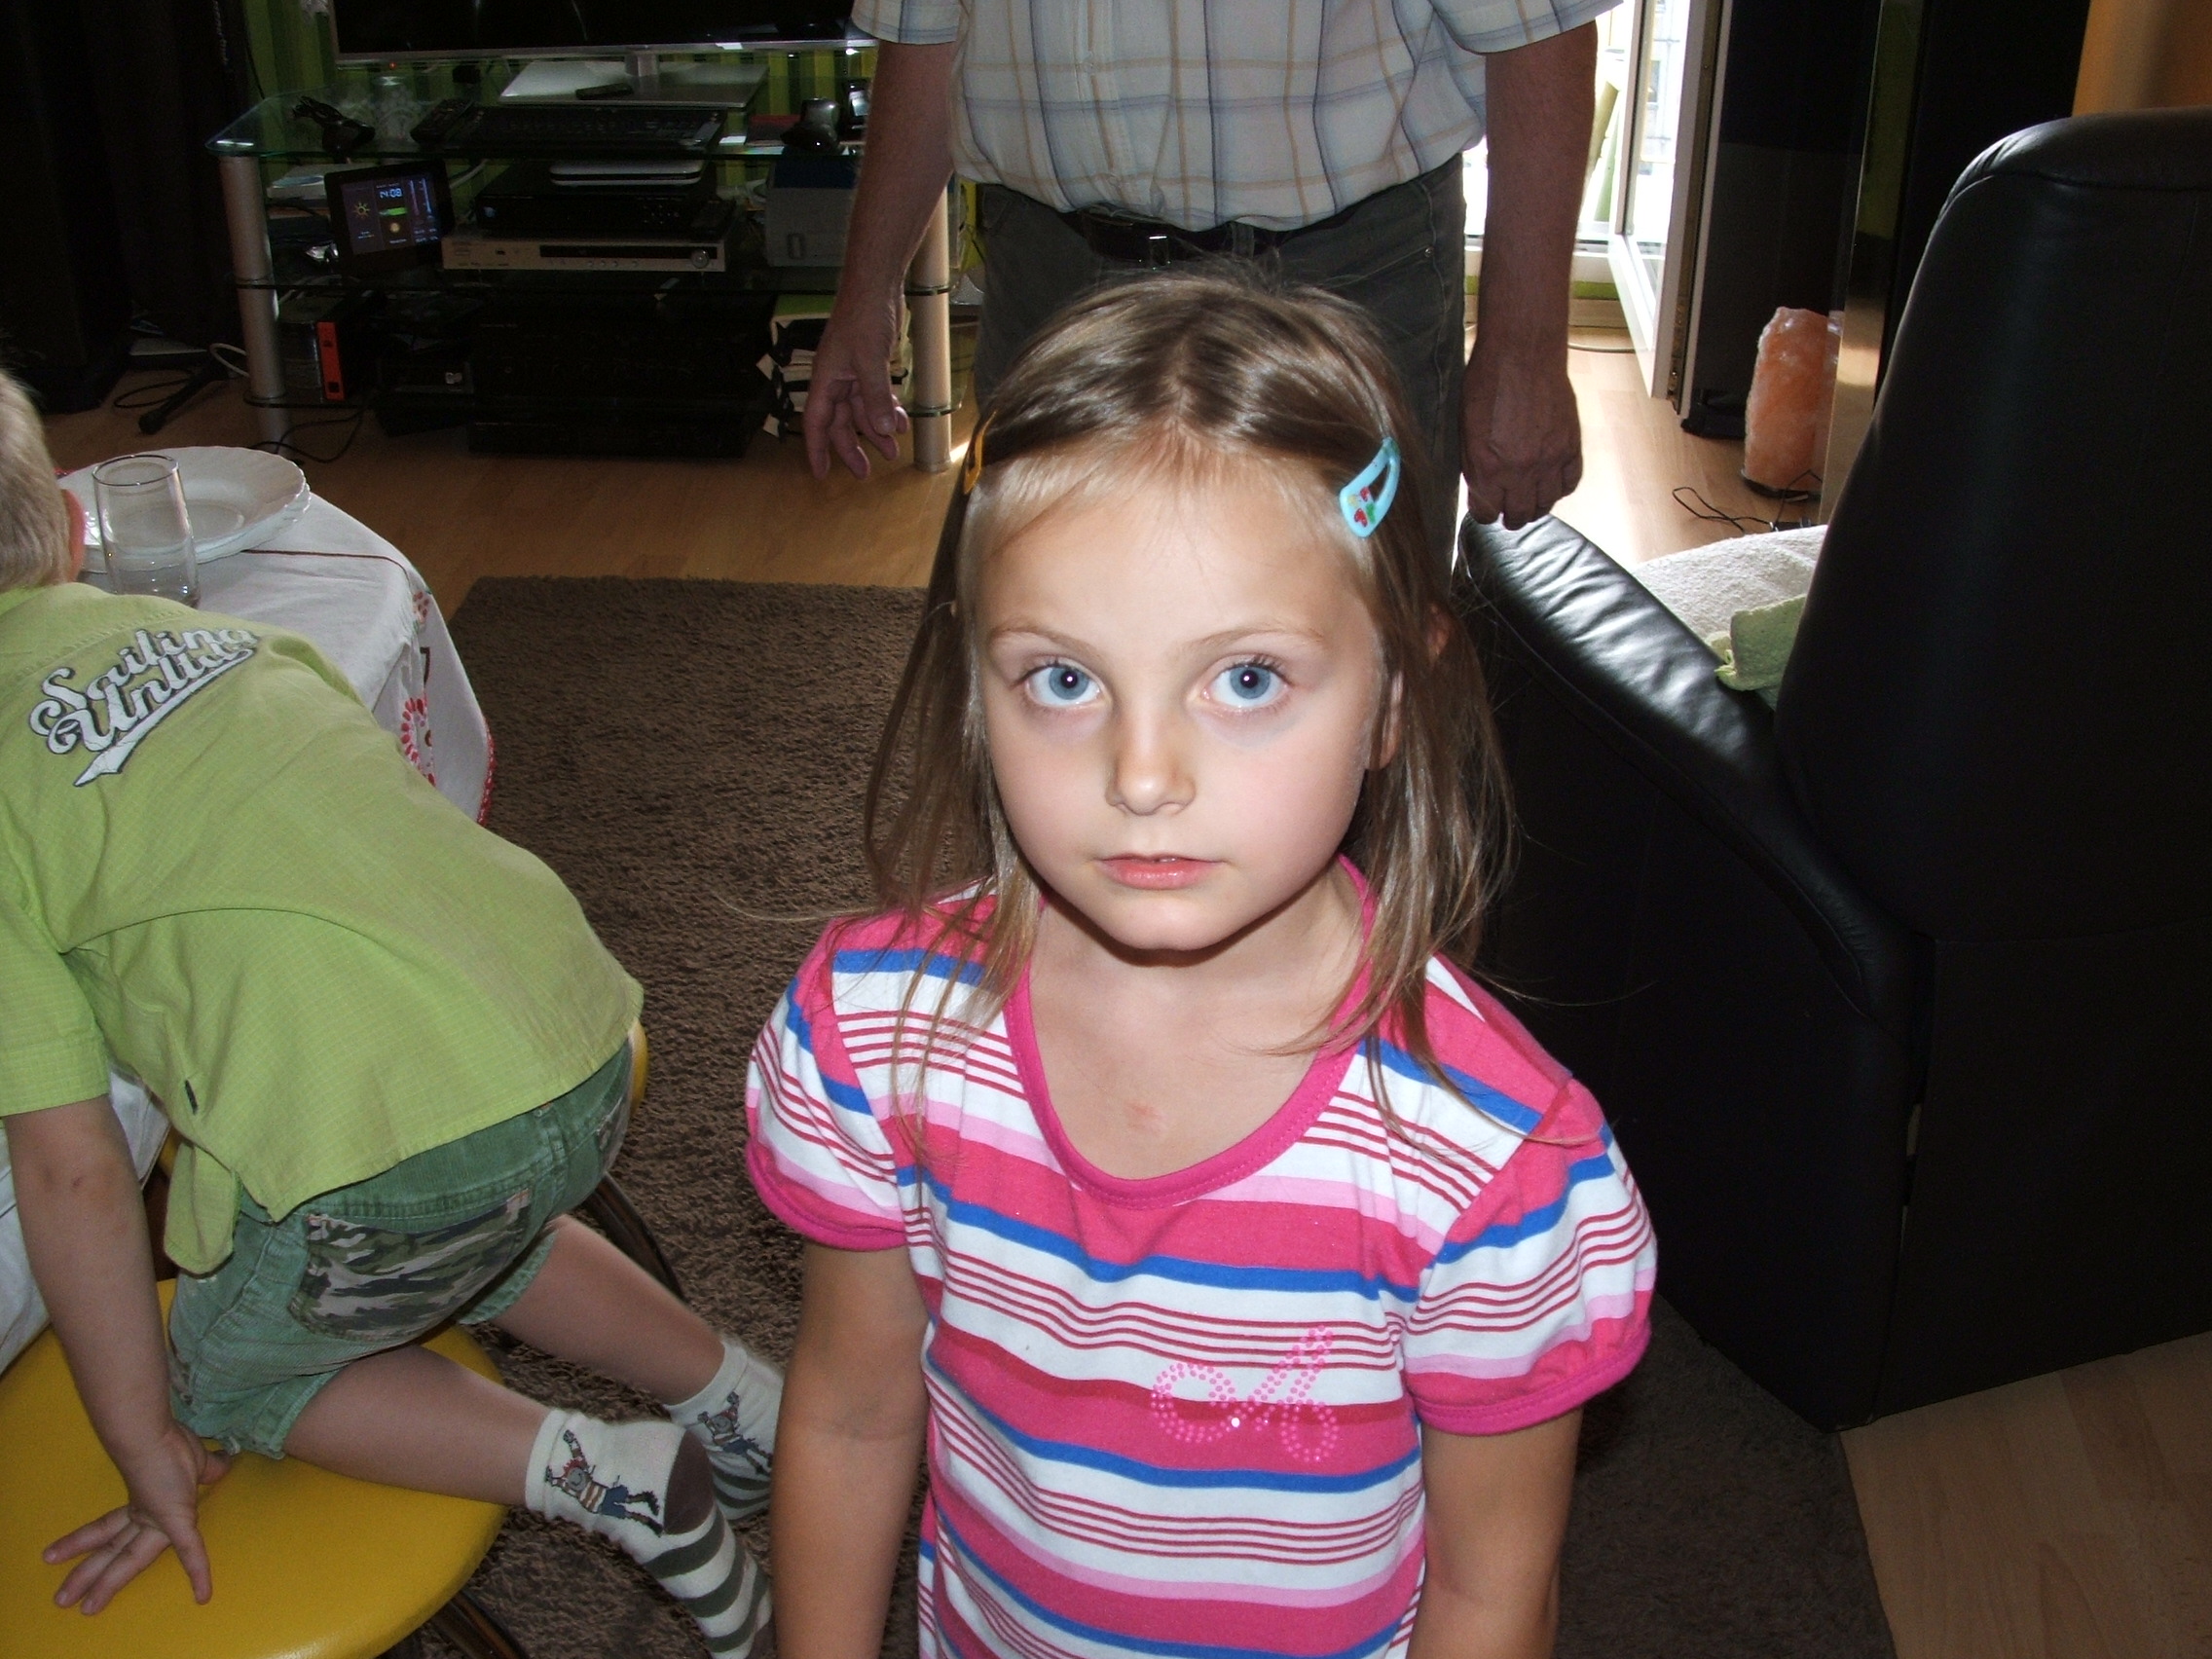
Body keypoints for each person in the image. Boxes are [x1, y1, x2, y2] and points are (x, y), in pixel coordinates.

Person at [750, 274, 1655, 1659]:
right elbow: (853, 1416)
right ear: (977, 690)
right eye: (1063, 679)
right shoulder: (874, 1043)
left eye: (1245, 680)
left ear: (1393, 695)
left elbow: (1491, 1591)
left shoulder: (1495, 1170)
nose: (1142, 775)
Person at [0, 368, 776, 1653]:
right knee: (460, 1223)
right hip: (568, 1040)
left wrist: (148, 1442)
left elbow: (69, 1169)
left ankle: (616, 1478)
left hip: (400, 1167)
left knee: (226, 1373)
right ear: (77, 529)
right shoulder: (238, 638)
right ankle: (741, 1399)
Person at [803, 0, 1610, 560]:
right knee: (1054, 647)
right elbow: (927, 36)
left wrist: (1525, 354)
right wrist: (866, 296)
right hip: (1050, 286)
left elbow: (1538, 29)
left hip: (1335, 285)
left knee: (1354, 661)